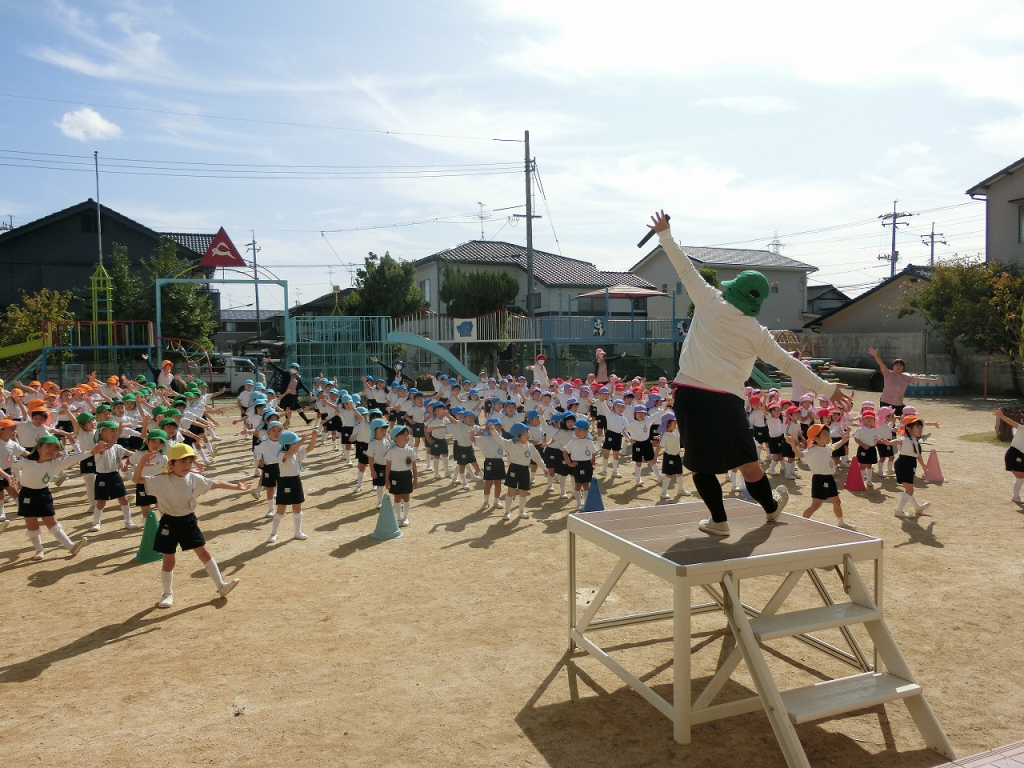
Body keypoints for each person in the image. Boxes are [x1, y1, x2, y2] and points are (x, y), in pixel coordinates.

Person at [649, 210, 852, 536]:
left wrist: (665, 234)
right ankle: (770, 509)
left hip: (690, 394)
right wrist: (827, 390)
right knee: (748, 462)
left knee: (701, 467)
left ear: (733, 289)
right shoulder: (757, 332)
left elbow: (684, 267)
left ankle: (719, 522)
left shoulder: (709, 300)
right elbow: (790, 364)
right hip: (728, 402)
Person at [133, 443, 249, 608]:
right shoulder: (160, 480)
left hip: (188, 521)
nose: (187, 466)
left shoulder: (195, 478)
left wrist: (236, 487)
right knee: (168, 560)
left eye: (189, 462)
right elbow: (137, 479)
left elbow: (215, 483)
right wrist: (142, 464)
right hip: (168, 522)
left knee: (203, 552)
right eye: (182, 462)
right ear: (171, 464)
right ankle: (167, 594)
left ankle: (221, 586)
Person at [13, 435, 102, 560]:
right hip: (26, 495)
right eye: (48, 446)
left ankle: (71, 546)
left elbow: (75, 458)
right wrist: (18, 480)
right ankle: (39, 550)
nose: (51, 450)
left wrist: (92, 452)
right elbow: (15, 466)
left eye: (55, 448)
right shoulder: (26, 461)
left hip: (43, 494)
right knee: (32, 524)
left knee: (52, 522)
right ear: (38, 448)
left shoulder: (55, 464)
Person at [787, 424, 856, 529]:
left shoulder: (827, 447)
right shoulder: (812, 450)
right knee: (816, 504)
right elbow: (800, 455)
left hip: (829, 478)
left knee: (837, 501)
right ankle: (800, 522)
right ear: (815, 438)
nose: (828, 437)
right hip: (819, 479)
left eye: (828, 434)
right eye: (824, 435)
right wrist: (792, 444)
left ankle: (841, 522)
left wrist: (843, 440)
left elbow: (835, 446)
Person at [267, 429, 317, 543]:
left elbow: (310, 448)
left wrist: (313, 437)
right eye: (294, 442)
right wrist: (301, 441)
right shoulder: (281, 454)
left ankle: (297, 532)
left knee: (297, 507)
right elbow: (289, 453)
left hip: (296, 481)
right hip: (284, 481)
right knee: (281, 509)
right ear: (288, 443)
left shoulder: (297, 452)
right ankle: (273, 533)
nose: (297, 443)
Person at [867, 348, 940, 416]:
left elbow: (919, 379)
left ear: (903, 368)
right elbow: (881, 364)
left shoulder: (906, 377)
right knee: (888, 424)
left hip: (899, 404)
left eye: (901, 365)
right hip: (886, 402)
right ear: (893, 366)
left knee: (907, 419)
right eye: (896, 365)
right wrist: (876, 355)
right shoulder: (888, 374)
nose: (898, 366)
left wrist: (934, 381)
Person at [893, 414, 931, 518]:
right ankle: (899, 510)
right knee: (909, 490)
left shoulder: (915, 440)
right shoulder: (905, 439)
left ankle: (917, 507)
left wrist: (923, 465)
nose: (920, 429)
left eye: (921, 427)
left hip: (910, 464)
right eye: (917, 427)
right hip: (903, 464)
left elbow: (918, 455)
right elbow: (898, 441)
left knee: (910, 490)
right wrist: (889, 442)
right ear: (909, 429)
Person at [384, 424, 418, 527]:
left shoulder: (410, 450)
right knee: (397, 497)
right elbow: (388, 467)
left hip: (406, 475)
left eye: (407, 435)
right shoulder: (391, 451)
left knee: (406, 496)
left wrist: (415, 479)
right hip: (395, 476)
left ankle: (405, 517)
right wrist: (387, 480)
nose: (406, 437)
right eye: (403, 435)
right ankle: (398, 518)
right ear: (395, 437)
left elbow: (414, 466)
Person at [263, 358, 312, 426]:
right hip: (286, 395)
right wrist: (270, 362)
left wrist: (308, 392)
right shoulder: (286, 374)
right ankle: (287, 422)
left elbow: (302, 385)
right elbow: (278, 368)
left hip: (294, 396)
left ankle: (306, 420)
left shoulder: (297, 377)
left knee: (299, 408)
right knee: (288, 409)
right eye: (292, 368)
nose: (293, 369)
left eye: (295, 368)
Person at [994, 408, 1024, 502]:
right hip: (1014, 455)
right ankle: (1015, 497)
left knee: (1021, 476)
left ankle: (1016, 496)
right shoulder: (1022, 429)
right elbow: (1013, 424)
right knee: (1021, 476)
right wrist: (1002, 416)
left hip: (1019, 455)